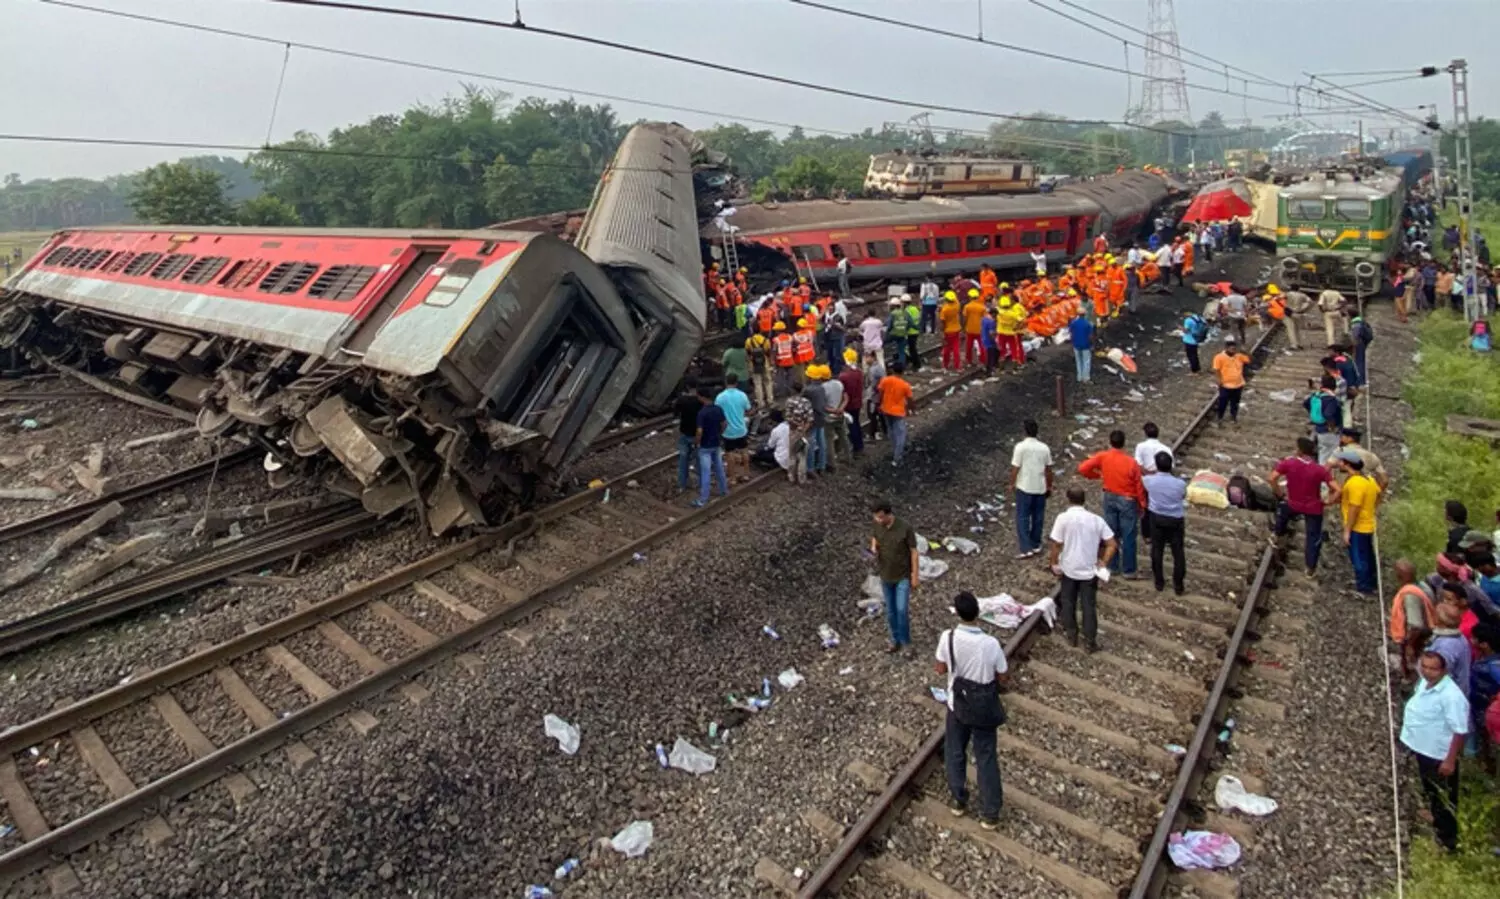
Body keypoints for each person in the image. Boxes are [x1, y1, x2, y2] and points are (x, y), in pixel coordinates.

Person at [935, 590, 1008, 829]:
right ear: (978, 613)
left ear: (957, 613)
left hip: (958, 705)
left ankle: (958, 800)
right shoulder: (991, 644)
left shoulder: (948, 637)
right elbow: (1003, 675)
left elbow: (939, 668)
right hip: (984, 707)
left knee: (955, 752)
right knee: (986, 757)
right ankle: (990, 812)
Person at [1399, 650, 1469, 853]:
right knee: (1431, 791)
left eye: (1433, 669)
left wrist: (1450, 760)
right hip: (1423, 748)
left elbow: (1459, 730)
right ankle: (1436, 821)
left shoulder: (1451, 696)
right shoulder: (1424, 682)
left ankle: (1448, 843)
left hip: (1438, 755)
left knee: (1444, 798)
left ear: (1444, 670)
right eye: (1425, 667)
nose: (1428, 672)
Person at [1047, 487, 1117, 652]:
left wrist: (1054, 562)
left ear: (1068, 498)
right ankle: (1090, 641)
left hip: (1069, 568)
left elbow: (1056, 544)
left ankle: (1072, 635)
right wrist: (1103, 562)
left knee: (1068, 602)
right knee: (1089, 606)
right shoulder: (1096, 520)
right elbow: (1112, 544)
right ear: (1084, 500)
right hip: (1089, 570)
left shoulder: (1063, 518)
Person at [1078, 430, 1146, 579]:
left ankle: (1112, 566)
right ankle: (1129, 570)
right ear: (1124, 443)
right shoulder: (1131, 462)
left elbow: (1083, 468)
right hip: (1127, 499)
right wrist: (1141, 504)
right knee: (1128, 535)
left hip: (1109, 496)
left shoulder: (1103, 457)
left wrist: (1097, 475)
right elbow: (1138, 486)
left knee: (1111, 533)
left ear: (1110, 442)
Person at [1270, 436, 1340, 576]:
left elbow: (1271, 478)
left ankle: (1277, 534)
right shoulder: (1319, 470)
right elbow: (1338, 489)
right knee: (1313, 537)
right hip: (1313, 507)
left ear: (1300, 451)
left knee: (1282, 511)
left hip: (1293, 503)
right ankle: (1310, 568)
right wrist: (1329, 501)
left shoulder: (1288, 463)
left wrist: (1280, 493)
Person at [870, 501, 919, 653]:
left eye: (880, 517)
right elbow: (875, 538)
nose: (878, 520)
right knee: (890, 611)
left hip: (902, 575)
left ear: (888, 514)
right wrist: (873, 548)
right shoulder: (877, 525)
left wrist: (915, 575)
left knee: (901, 609)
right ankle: (894, 639)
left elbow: (914, 552)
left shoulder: (905, 528)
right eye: (876, 517)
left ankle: (905, 642)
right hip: (885, 575)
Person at [1144, 452, 1188, 595]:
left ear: (1156, 465)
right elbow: (1183, 496)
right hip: (1175, 520)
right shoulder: (1180, 484)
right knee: (1178, 552)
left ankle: (1159, 582)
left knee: (1157, 550)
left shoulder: (1149, 481)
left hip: (1157, 518)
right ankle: (1178, 585)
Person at [1337, 451, 1380, 595]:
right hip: (1368, 524)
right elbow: (1379, 494)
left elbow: (1354, 508)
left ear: (1347, 464)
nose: (1339, 463)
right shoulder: (1369, 479)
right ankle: (1371, 583)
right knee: (1367, 555)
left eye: (1341, 461)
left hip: (1358, 527)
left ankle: (1364, 587)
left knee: (1358, 557)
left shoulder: (1355, 483)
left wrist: (1347, 530)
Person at [1010, 419, 1053, 559]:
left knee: (1022, 517)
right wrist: (1049, 485)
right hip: (1040, 487)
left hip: (1024, 486)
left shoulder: (1020, 447)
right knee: (1038, 517)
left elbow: (1016, 467)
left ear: (1024, 431)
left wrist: (1011, 483)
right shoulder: (1044, 448)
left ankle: (1025, 547)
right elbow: (1048, 470)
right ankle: (1036, 544)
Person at [1388, 559, 1435, 680]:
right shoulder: (1423, 586)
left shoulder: (1410, 596)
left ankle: (1410, 681)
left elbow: (1416, 626)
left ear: (1399, 576)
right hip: (1427, 632)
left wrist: (1409, 645)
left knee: (1413, 665)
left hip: (1418, 639)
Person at [692, 387, 729, 508]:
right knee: (719, 469)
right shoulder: (718, 409)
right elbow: (724, 424)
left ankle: (703, 499)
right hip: (716, 443)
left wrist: (697, 442)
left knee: (706, 472)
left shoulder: (702, 413)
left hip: (705, 446)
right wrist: (720, 434)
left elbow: (699, 431)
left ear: (702, 397)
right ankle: (724, 491)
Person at [716, 374, 753, 480]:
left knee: (730, 454)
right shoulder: (742, 395)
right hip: (741, 429)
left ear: (725, 382)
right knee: (744, 451)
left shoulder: (720, 397)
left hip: (727, 431)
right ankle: (746, 473)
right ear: (736, 383)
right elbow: (748, 410)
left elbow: (717, 413)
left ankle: (732, 478)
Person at [877, 363, 913, 466]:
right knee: (901, 434)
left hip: (886, 409)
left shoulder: (885, 380)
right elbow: (910, 399)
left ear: (893, 370)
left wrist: (880, 404)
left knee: (891, 430)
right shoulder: (905, 385)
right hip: (898, 412)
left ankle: (894, 449)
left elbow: (881, 393)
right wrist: (911, 409)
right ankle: (897, 457)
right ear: (903, 372)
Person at [1211, 337, 1251, 425]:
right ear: (1226, 348)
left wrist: (1245, 351)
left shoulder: (1239, 356)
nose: (1233, 350)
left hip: (1238, 385)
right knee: (1223, 402)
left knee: (1235, 403)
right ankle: (1219, 417)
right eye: (1231, 348)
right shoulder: (1219, 357)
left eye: (1234, 348)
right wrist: (1219, 379)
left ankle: (1233, 417)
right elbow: (1216, 369)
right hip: (1226, 385)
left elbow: (1248, 360)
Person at [1335, 427, 1388, 491]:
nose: (1340, 440)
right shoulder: (1371, 456)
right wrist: (1377, 494)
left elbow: (1327, 470)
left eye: (1341, 437)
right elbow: (1385, 481)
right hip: (1365, 494)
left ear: (1349, 439)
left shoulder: (1339, 453)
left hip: (1345, 495)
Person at [1305, 375, 1343, 464]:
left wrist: (1313, 413)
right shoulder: (1331, 399)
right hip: (1329, 432)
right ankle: (1324, 475)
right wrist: (1332, 427)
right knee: (1330, 456)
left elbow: (1305, 403)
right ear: (1334, 387)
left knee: (1323, 452)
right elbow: (1328, 414)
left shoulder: (1316, 395)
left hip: (1319, 428)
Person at [817, 365, 850, 465]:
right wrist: (841, 409)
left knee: (829, 441)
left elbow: (823, 406)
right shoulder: (838, 383)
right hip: (840, 415)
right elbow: (846, 397)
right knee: (844, 437)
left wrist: (833, 410)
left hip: (829, 418)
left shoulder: (822, 388)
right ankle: (848, 457)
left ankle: (832, 464)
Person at [801, 370, 829, 477]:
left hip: (811, 420)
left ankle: (810, 468)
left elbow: (802, 403)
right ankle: (821, 466)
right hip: (821, 418)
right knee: (822, 443)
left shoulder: (808, 390)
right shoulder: (821, 388)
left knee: (810, 444)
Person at [674, 379, 701, 491]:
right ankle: (699, 483)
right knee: (699, 460)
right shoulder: (700, 401)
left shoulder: (681, 400)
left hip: (685, 433)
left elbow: (675, 414)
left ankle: (682, 484)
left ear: (687, 387)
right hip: (698, 435)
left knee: (683, 460)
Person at [836, 359, 864, 455]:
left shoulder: (843, 377)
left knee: (852, 426)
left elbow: (842, 392)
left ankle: (856, 447)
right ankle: (860, 444)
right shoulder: (859, 372)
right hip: (858, 402)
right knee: (857, 423)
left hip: (849, 405)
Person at [744, 330, 774, 408]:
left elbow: (747, 353)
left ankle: (761, 403)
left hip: (753, 364)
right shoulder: (766, 340)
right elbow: (768, 352)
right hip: (765, 363)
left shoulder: (748, 341)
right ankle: (770, 399)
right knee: (767, 382)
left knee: (757, 384)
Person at [1068, 305, 1094, 383]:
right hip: (1086, 345)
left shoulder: (1073, 323)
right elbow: (1090, 336)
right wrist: (1092, 344)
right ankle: (1086, 378)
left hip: (1076, 345)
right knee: (1086, 361)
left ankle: (1079, 377)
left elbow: (1071, 333)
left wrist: (1072, 342)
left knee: (1078, 361)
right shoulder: (1088, 324)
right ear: (1084, 314)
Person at [938, 291, 963, 371]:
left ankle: (945, 365)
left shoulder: (944, 310)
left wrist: (942, 333)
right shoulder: (957, 305)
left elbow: (942, 323)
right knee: (956, 349)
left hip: (948, 331)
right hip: (957, 329)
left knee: (947, 350)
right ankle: (957, 366)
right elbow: (956, 299)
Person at [887, 296, 913, 368]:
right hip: (902, 334)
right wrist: (905, 329)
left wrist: (887, 333)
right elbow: (910, 323)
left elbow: (889, 326)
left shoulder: (892, 314)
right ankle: (901, 365)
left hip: (893, 334)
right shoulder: (905, 313)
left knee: (882, 344)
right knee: (901, 351)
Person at [1181, 308, 1209, 374]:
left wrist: (1181, 328)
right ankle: (1198, 368)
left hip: (1189, 341)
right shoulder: (1199, 318)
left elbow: (1186, 331)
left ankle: (1194, 371)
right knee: (1195, 355)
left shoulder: (1188, 320)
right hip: (1197, 340)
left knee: (1191, 356)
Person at [1350, 315, 1374, 385]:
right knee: (1361, 361)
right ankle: (1361, 380)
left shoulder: (1356, 323)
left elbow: (1356, 335)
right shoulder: (1362, 321)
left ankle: (1360, 381)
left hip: (1358, 343)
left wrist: (1353, 343)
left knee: (1359, 362)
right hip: (1362, 343)